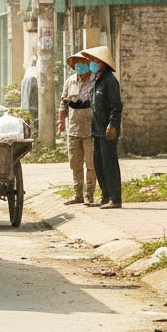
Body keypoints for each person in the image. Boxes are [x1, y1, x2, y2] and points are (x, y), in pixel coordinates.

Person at [67, 45, 123, 209]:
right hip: (96, 129)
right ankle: (105, 197)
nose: (91, 63)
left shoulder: (110, 81)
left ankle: (115, 198)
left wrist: (113, 124)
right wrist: (72, 103)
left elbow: (116, 105)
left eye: (94, 61)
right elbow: (90, 103)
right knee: (99, 164)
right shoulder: (96, 81)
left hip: (108, 130)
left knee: (109, 163)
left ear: (103, 63)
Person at [59, 52, 97, 206]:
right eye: (76, 64)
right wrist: (61, 120)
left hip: (90, 130)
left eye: (82, 64)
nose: (78, 67)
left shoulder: (94, 82)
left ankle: (90, 195)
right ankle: (78, 195)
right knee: (75, 164)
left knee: (90, 164)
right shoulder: (70, 81)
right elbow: (63, 102)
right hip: (73, 129)